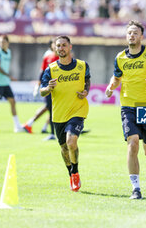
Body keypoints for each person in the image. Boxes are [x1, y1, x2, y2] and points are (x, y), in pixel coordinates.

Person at [105, 20, 146, 199]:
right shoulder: (120, 57)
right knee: (132, 142)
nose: (132, 35)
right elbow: (117, 76)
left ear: (141, 37)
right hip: (128, 106)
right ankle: (136, 188)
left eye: (135, 33)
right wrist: (111, 86)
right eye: (129, 33)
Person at [40, 36, 91, 192]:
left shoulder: (82, 66)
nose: (61, 48)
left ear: (70, 47)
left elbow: (87, 80)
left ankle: (75, 172)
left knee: (71, 142)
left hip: (77, 110)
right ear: (55, 48)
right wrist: (48, 88)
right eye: (58, 46)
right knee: (63, 148)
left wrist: (86, 91)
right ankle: (71, 172)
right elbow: (42, 91)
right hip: (58, 114)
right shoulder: (51, 69)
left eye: (64, 45)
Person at [23, 38, 59, 140]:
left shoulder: (63, 59)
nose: (56, 47)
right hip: (48, 87)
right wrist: (38, 85)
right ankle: (52, 133)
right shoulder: (47, 57)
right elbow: (42, 72)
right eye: (54, 44)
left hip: (60, 88)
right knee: (50, 108)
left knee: (53, 109)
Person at [0, 35, 25, 133]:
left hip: (5, 83)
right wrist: (9, 76)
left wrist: (8, 77)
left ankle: (17, 126)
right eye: (0, 42)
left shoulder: (9, 52)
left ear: (7, 42)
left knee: (12, 102)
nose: (1, 44)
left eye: (3, 42)